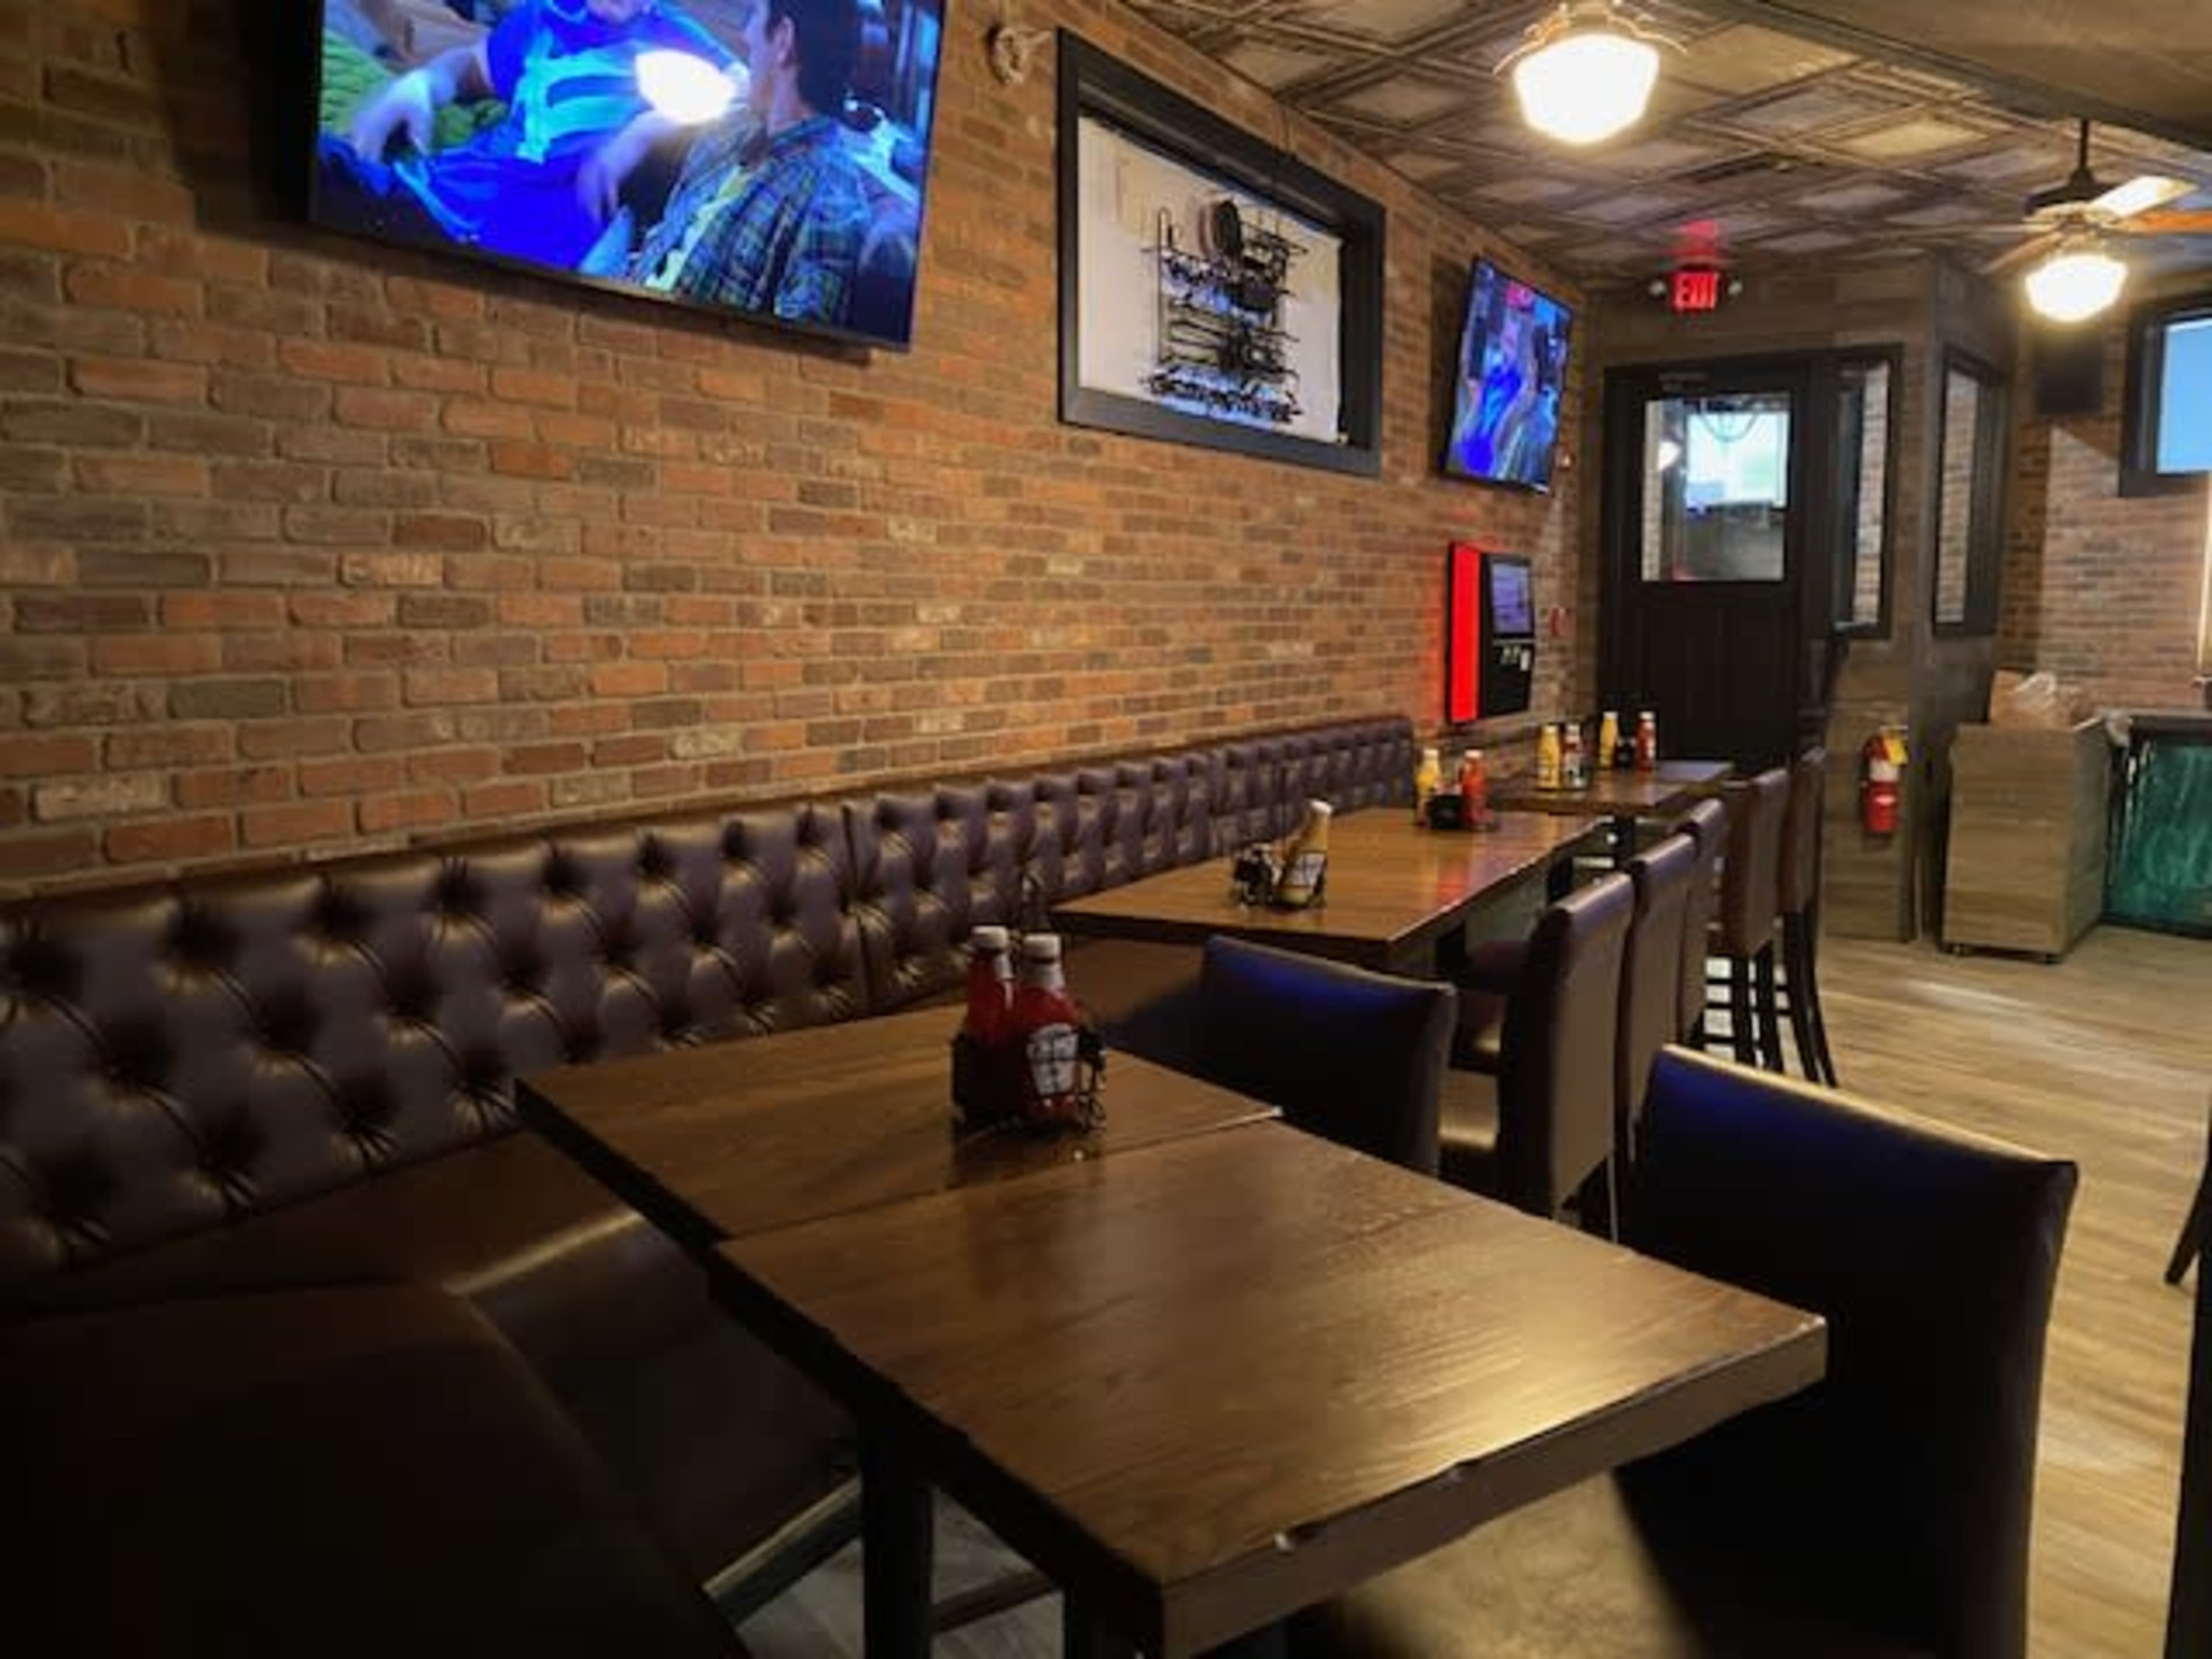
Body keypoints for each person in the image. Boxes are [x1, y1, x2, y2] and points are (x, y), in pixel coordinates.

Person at [317, 0, 732, 274]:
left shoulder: (670, 32)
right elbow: (471, 66)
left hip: (515, 243)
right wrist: (424, 85)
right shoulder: (544, 17)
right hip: (432, 189)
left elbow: (745, 90)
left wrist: (641, 134)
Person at [629, 0, 873, 328]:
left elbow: (802, 353)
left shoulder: (830, 197)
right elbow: (660, 242)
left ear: (784, 40)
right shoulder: (731, 131)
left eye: (755, 16)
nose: (746, 36)